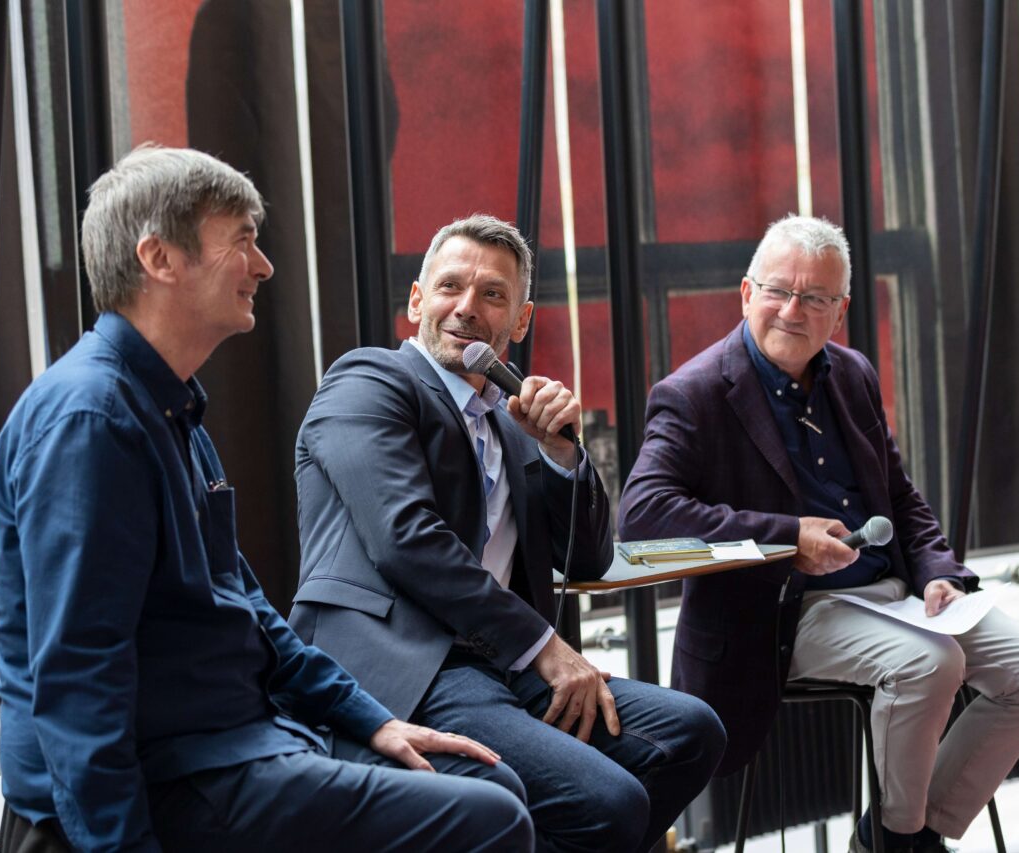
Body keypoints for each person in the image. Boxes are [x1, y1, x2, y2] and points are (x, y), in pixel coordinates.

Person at [0, 147, 532, 853]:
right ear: (160, 257)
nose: (264, 264)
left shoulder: (169, 408)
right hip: (176, 772)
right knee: (490, 818)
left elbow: (247, 608)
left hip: (233, 739)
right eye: (242, 238)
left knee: (492, 784)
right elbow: (77, 677)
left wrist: (370, 718)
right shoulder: (91, 420)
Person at [618, 215, 1019, 853]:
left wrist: (938, 571)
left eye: (815, 298)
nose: (791, 309)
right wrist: (787, 537)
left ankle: (899, 834)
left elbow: (898, 494)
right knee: (932, 664)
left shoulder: (852, 373)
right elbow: (642, 513)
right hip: (783, 613)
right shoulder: (693, 393)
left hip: (897, 595)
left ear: (841, 311)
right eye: (778, 291)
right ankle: (900, 840)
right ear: (747, 293)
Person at [290, 214, 726, 852]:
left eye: (493, 294)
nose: (466, 308)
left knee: (692, 732)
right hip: (408, 666)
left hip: (500, 668)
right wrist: (545, 647)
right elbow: (405, 538)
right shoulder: (369, 381)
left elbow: (591, 555)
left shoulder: (509, 420)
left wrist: (562, 454)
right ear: (416, 300)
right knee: (612, 803)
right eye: (449, 288)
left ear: (519, 323)